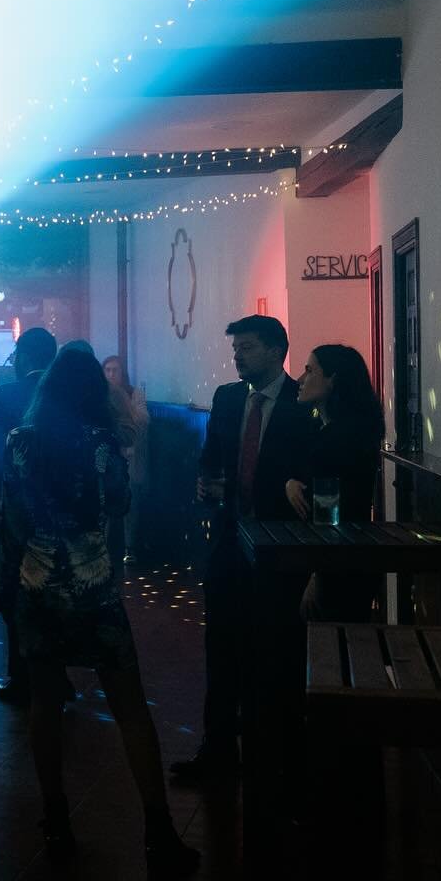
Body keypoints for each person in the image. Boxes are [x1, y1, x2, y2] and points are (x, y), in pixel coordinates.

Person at [0, 346, 199, 876]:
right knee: (130, 707)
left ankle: (56, 819)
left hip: (38, 589)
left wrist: (6, 584)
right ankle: (158, 831)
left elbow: (11, 520)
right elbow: (118, 505)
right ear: (93, 392)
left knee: (45, 705)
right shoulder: (104, 443)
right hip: (95, 590)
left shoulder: (22, 442)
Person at [175, 314, 315, 784]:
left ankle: (279, 759)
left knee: (278, 653)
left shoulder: (303, 402)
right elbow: (212, 455)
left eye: (248, 347)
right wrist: (204, 482)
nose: (238, 356)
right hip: (231, 540)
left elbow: (312, 471)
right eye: (236, 348)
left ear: (277, 352)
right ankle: (217, 752)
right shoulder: (228, 398)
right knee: (221, 649)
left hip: (280, 550)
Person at [0, 327, 57, 706]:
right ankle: (56, 674)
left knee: (14, 591)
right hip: (62, 515)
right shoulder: (68, 395)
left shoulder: (2, 396)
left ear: (23, 358)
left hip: (15, 509)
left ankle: (22, 675)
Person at [284, 344, 384, 623]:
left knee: (331, 651)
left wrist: (319, 575)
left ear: (333, 380)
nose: (301, 380)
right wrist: (291, 482)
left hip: (337, 564)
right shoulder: (338, 431)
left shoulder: (339, 439)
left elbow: (332, 515)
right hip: (350, 560)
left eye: (309, 371)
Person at [102, 355, 149, 567]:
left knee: (131, 504)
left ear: (123, 373)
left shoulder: (133, 394)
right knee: (105, 505)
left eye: (115, 370)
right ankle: (102, 547)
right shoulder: (99, 395)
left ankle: (130, 547)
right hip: (107, 459)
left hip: (130, 457)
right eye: (108, 370)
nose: (111, 374)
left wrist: (121, 401)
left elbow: (143, 419)